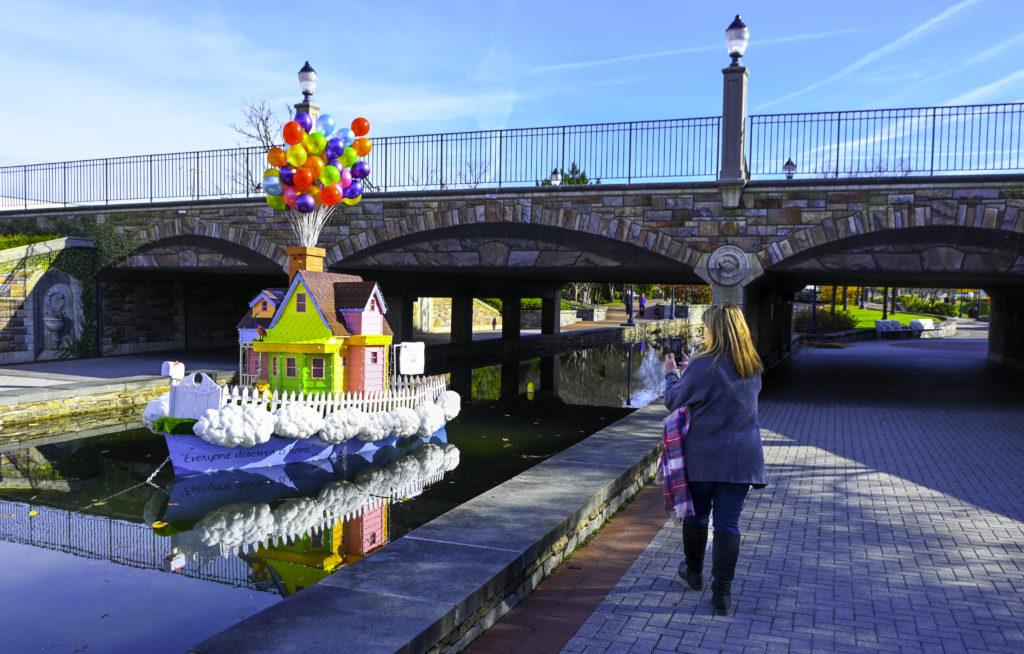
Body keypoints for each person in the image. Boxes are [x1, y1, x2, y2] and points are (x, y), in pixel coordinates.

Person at [663, 303, 765, 616]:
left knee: (696, 517)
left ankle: (693, 574)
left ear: (716, 330)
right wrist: (692, 369)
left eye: (705, 327)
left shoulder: (703, 366)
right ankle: (723, 592)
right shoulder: (752, 364)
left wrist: (671, 374)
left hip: (704, 458)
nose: (703, 332)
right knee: (728, 524)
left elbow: (674, 401)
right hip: (741, 459)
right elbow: (720, 392)